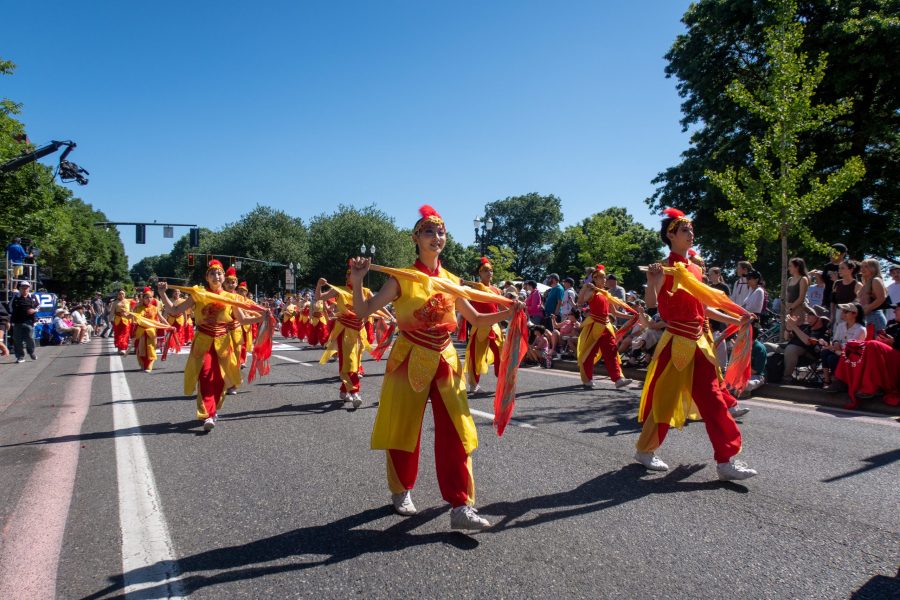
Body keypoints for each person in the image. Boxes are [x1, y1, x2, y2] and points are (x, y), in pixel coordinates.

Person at [347, 205, 521, 531]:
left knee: (457, 431)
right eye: (429, 231)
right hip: (408, 358)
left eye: (440, 232)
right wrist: (358, 280)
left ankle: (461, 505)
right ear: (415, 238)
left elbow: (478, 320)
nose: (436, 237)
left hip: (445, 360)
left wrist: (508, 311)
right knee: (403, 428)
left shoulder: (452, 281)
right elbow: (363, 310)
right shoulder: (401, 278)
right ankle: (401, 489)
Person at [636, 208, 757, 481]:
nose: (691, 234)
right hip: (675, 342)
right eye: (684, 230)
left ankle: (726, 461)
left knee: (714, 401)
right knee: (665, 401)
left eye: (691, 230)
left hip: (699, 343)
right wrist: (652, 280)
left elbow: (704, 307)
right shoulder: (663, 267)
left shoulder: (695, 268)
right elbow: (653, 305)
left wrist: (735, 318)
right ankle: (645, 450)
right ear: (671, 235)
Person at [157, 260, 266, 432]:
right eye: (212, 274)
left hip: (223, 342)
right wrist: (163, 294)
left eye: (219, 273)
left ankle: (213, 410)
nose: (216, 276)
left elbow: (243, 319)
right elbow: (175, 311)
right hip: (203, 341)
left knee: (221, 379)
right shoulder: (198, 294)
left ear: (224, 277)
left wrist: (263, 317)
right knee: (206, 375)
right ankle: (209, 413)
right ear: (206, 277)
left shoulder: (231, 298)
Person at [315, 264, 373, 408]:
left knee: (355, 361)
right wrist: (319, 285)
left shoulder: (365, 291)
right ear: (347, 277)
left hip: (360, 332)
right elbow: (318, 297)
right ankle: (355, 392)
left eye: (354, 274)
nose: (351, 277)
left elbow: (379, 305)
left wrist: (391, 316)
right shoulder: (339, 290)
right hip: (345, 330)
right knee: (350, 361)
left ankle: (343, 390)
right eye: (349, 274)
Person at [575, 264, 633, 390]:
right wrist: (585, 287)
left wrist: (632, 316)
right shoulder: (591, 291)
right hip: (594, 326)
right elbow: (579, 302)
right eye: (601, 277)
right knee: (589, 354)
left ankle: (618, 379)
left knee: (611, 352)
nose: (604, 279)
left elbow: (615, 313)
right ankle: (587, 378)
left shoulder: (606, 293)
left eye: (605, 277)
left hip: (606, 326)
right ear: (594, 278)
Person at [835, 303, 900, 407]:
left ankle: (870, 387)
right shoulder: (892, 324)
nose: (894, 311)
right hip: (883, 354)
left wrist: (894, 343)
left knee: (872, 345)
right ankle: (842, 380)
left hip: (896, 357)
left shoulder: (860, 328)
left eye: (897, 309)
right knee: (853, 345)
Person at [464, 256, 504, 395]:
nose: (489, 273)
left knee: (501, 355)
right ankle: (473, 385)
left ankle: (502, 382)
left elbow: (501, 307)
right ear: (480, 273)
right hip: (480, 327)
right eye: (485, 270)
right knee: (476, 357)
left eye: (491, 270)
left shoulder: (497, 290)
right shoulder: (475, 289)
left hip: (495, 327)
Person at [821, 302, 867, 390]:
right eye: (843, 311)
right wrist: (835, 343)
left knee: (832, 358)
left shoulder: (860, 329)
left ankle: (839, 381)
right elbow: (836, 338)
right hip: (840, 351)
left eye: (846, 311)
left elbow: (852, 346)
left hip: (851, 355)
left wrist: (836, 347)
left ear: (855, 314)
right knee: (825, 353)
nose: (842, 313)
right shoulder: (841, 326)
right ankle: (827, 380)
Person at [781, 305, 830, 383]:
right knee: (767, 346)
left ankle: (787, 378)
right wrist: (789, 327)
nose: (807, 315)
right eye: (808, 313)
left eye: (811, 313)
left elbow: (807, 341)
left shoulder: (823, 333)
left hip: (807, 355)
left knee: (791, 349)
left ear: (819, 318)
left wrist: (794, 326)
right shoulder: (805, 326)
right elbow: (786, 338)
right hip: (788, 349)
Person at [857, 259, 889, 334]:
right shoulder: (866, 283)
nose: (863, 269)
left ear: (874, 268)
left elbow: (881, 298)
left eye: (866, 267)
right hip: (866, 317)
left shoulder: (876, 280)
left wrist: (868, 307)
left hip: (875, 316)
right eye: (862, 267)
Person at [132, 287, 161, 372]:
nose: (149, 299)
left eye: (150, 297)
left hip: (151, 331)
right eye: (146, 297)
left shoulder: (155, 308)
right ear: (143, 298)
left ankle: (149, 366)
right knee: (140, 349)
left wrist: (168, 325)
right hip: (140, 331)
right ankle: (143, 364)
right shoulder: (138, 307)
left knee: (151, 348)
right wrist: (132, 310)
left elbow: (160, 318)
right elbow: (133, 317)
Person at [10, 281, 39, 363]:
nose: (25, 289)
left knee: (30, 338)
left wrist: (34, 310)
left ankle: (31, 352)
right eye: (23, 287)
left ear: (29, 288)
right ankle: (20, 356)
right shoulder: (15, 297)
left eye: (26, 287)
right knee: (17, 340)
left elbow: (38, 306)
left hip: (29, 321)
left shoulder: (33, 297)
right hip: (17, 321)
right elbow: (10, 308)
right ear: (19, 288)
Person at [830, 259, 861, 327]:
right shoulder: (837, 283)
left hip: (850, 316)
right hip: (838, 314)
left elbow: (858, 303)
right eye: (839, 268)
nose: (839, 270)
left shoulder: (857, 284)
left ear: (851, 270)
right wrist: (832, 315)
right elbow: (833, 301)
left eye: (842, 268)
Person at [820, 243, 847, 311]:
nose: (831, 255)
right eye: (830, 253)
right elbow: (823, 282)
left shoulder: (848, 266)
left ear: (843, 254)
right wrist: (817, 275)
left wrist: (837, 280)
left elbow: (853, 284)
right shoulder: (827, 266)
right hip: (827, 300)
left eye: (834, 253)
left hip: (842, 302)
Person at [110, 290, 132, 355]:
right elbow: (112, 312)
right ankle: (119, 349)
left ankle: (123, 348)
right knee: (118, 334)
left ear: (125, 294)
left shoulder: (128, 301)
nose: (121, 295)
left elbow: (131, 311)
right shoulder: (115, 302)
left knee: (125, 334)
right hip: (117, 320)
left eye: (122, 294)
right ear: (118, 295)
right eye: (120, 294)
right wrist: (110, 319)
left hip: (126, 320)